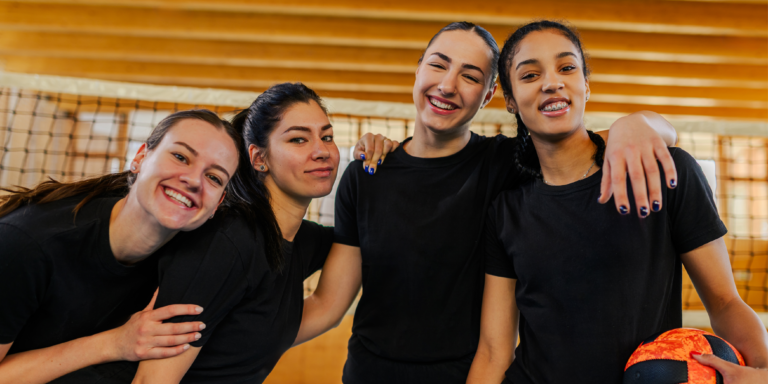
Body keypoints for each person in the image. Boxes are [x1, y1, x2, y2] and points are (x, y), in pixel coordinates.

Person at [295, 21, 681, 384]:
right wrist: (248, 340)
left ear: (490, 95)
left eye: (470, 76)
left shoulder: (505, 163)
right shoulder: (366, 174)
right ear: (418, 71)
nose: (448, 85)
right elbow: (328, 304)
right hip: (369, 373)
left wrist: (639, 123)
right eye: (438, 65)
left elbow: (603, 145)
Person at [467, 20, 768, 384]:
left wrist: (763, 372)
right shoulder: (506, 212)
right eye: (530, 75)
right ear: (511, 100)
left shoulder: (667, 172)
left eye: (567, 67)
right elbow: (494, 350)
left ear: (586, 85)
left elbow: (724, 302)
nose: (552, 82)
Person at [107, 82, 394, 384]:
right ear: (259, 158)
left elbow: (327, 306)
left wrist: (381, 161)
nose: (322, 151)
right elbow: (151, 381)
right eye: (298, 139)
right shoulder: (228, 243)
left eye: (327, 137)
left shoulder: (300, 239)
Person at [0, 110, 244, 384]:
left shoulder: (201, 255)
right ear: (140, 158)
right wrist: (114, 343)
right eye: (180, 157)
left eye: (214, 177)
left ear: (218, 204)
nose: (193, 180)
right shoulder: (26, 245)